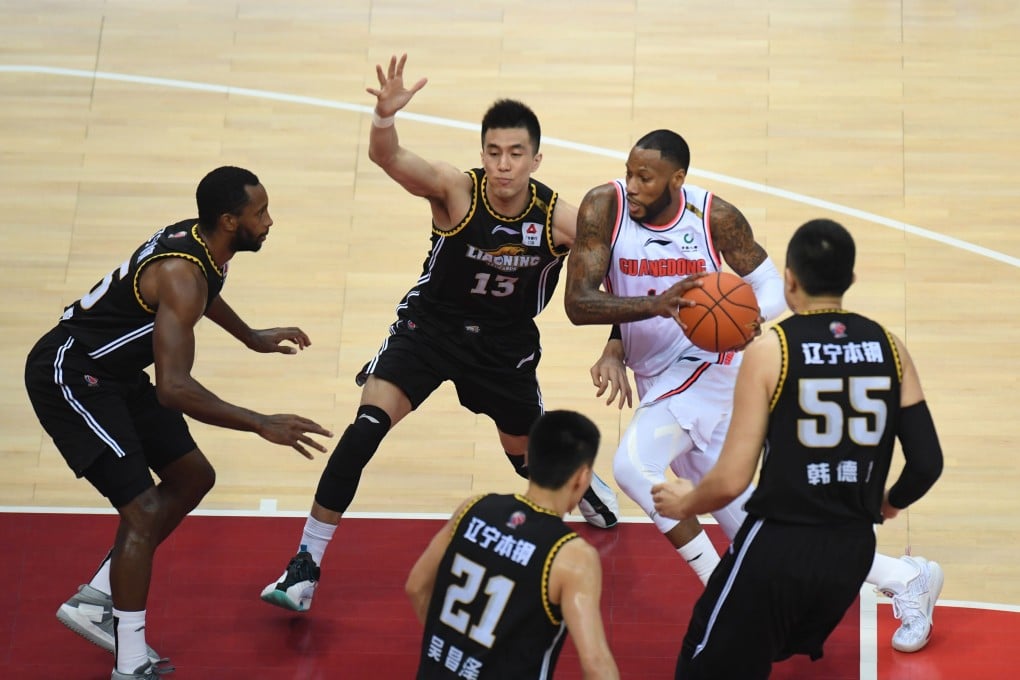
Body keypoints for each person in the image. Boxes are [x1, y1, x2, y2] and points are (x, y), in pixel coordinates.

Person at [260, 53, 619, 613]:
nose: (504, 165)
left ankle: (582, 484)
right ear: (482, 154)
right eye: (494, 152)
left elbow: (619, 268)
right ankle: (304, 564)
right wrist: (384, 118)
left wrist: (615, 344)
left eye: (516, 154)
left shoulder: (559, 218)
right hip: (428, 331)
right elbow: (390, 158)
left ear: (536, 158)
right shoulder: (456, 190)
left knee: (524, 459)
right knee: (365, 428)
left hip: (504, 349)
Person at [23, 166, 333, 680]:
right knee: (142, 511)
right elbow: (174, 388)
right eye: (261, 213)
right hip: (71, 376)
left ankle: (98, 596)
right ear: (230, 220)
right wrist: (261, 422)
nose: (270, 220)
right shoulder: (182, 272)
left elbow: (199, 296)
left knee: (193, 476)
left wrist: (250, 336)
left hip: (115, 375)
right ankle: (130, 660)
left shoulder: (206, 244)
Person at [651, 218, 944, 678]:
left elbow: (732, 480)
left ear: (789, 281)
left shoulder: (773, 349)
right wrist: (888, 503)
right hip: (851, 552)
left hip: (779, 547)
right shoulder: (891, 347)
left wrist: (683, 500)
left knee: (704, 660)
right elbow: (927, 463)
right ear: (849, 280)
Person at [563, 128, 789, 585]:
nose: (632, 185)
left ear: (677, 178)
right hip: (658, 375)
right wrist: (620, 339)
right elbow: (577, 303)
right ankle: (907, 578)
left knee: (632, 465)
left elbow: (773, 285)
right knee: (756, 532)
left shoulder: (713, 216)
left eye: (645, 178)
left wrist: (741, 323)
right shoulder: (604, 207)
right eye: (629, 173)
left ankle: (717, 587)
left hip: (708, 362)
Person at [406, 410, 620, 680]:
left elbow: (416, 587)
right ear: (582, 477)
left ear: (528, 457)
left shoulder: (472, 507)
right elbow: (596, 664)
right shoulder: (572, 556)